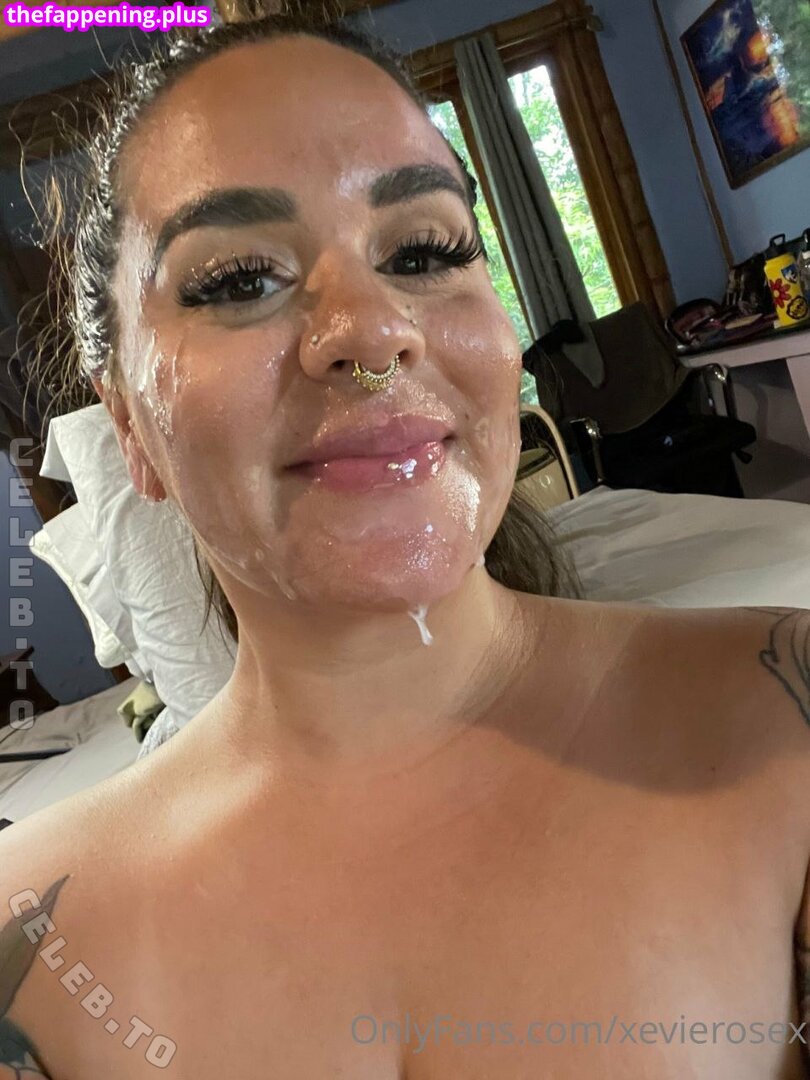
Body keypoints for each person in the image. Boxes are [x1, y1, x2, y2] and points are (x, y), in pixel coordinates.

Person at [1, 11, 808, 1079]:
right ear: (129, 430)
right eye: (238, 279)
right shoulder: (31, 949)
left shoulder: (785, 723)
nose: (374, 330)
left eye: (423, 252)